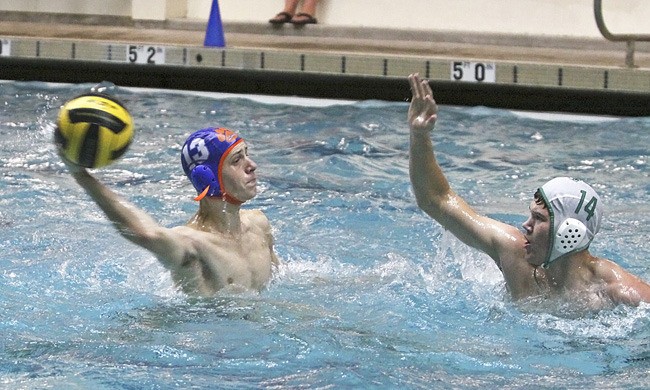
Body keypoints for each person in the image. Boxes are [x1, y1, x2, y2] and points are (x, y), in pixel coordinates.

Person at [407, 73, 650, 311]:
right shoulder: (514, 253)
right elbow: (436, 199)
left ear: (570, 232)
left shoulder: (615, 290)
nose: (526, 225)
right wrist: (419, 136)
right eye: (531, 215)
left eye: (540, 218)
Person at [59, 126, 279, 296]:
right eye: (237, 160)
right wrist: (80, 175)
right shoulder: (193, 247)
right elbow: (147, 234)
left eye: (246, 154)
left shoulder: (259, 225)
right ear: (208, 178)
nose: (252, 165)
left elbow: (282, 279)